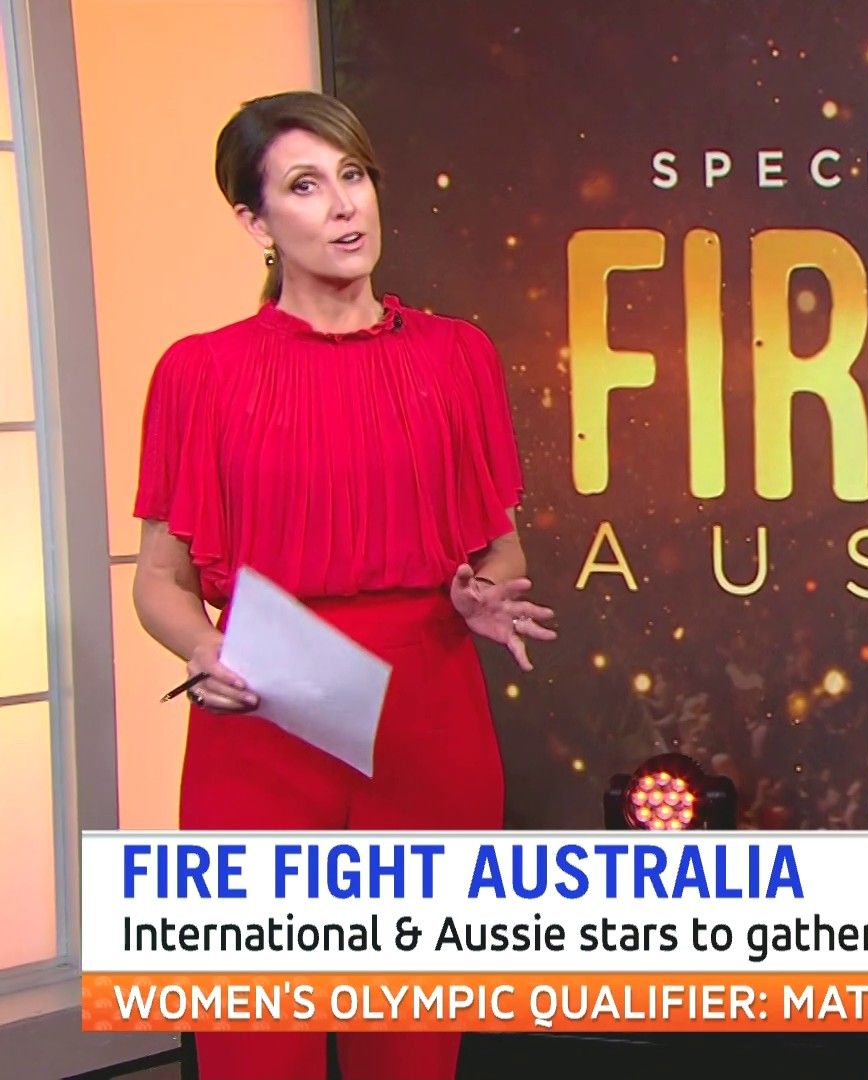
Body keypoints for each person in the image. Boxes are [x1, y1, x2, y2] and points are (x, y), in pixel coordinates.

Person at [130, 90, 556, 1080]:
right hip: (261, 722)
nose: (342, 205)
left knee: (410, 1043)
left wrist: (478, 594)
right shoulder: (199, 373)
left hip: (427, 718)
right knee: (256, 1041)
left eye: (352, 176)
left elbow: (501, 555)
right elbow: (159, 580)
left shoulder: (457, 356)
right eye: (305, 185)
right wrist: (203, 648)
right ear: (255, 222)